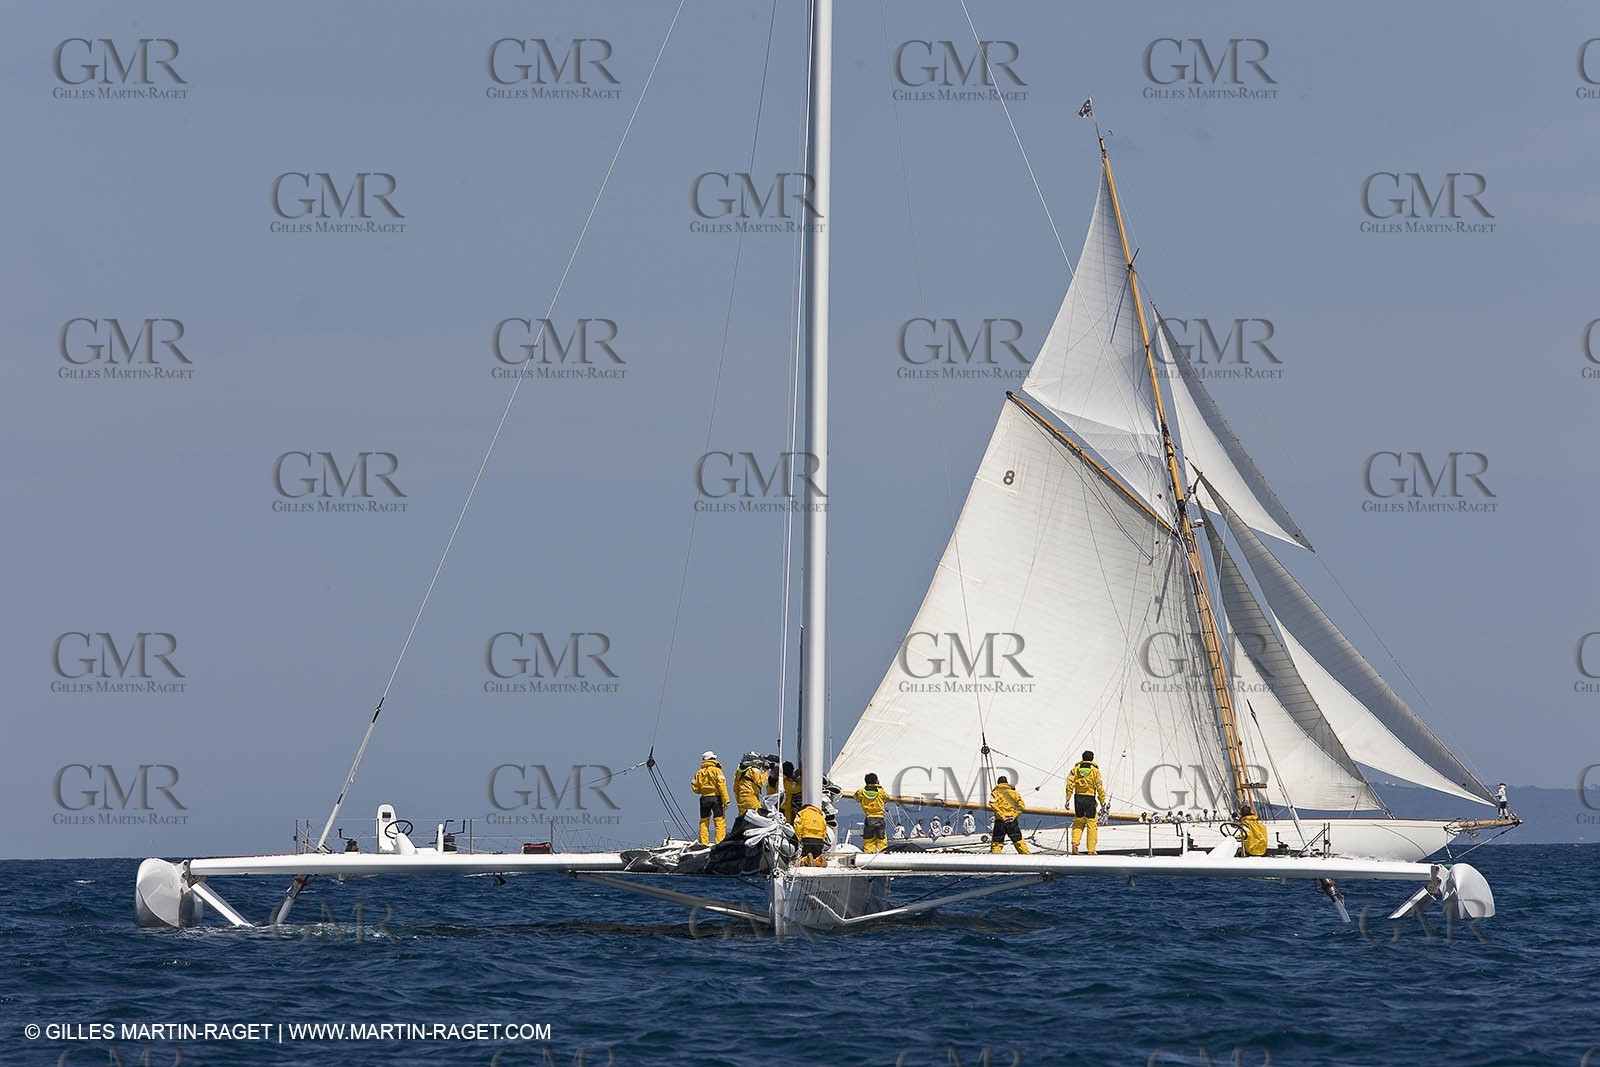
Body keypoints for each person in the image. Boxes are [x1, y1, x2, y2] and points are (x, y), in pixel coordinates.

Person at [1068, 750, 1108, 855]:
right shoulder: (1095, 771)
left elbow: (1069, 784)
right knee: (1091, 824)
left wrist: (1068, 798)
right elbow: (1099, 787)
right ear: (1092, 759)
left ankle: (1075, 842)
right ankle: (1091, 850)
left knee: (1078, 822)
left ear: (1082, 758)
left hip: (1078, 798)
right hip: (1089, 798)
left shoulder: (1075, 770)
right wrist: (1102, 801)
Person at [690, 751, 730, 845]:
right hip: (716, 799)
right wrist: (726, 800)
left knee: (704, 821)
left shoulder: (699, 773)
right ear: (713, 759)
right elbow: (722, 786)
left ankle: (704, 842)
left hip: (704, 799)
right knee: (719, 821)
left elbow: (694, 786)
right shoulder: (717, 771)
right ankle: (719, 842)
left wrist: (702, 791)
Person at [989, 775, 1030, 853]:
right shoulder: (1015, 793)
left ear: (998, 783)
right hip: (1012, 821)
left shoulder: (995, 793)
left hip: (1000, 821)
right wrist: (1013, 816)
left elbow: (992, 804)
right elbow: (1021, 807)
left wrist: (1003, 817)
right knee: (1019, 841)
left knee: (997, 843)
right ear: (1007, 783)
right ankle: (1027, 856)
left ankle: (995, 860)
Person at [854, 773, 889, 853]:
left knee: (868, 839)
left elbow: (856, 798)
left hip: (869, 818)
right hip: (880, 818)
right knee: (881, 839)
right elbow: (887, 798)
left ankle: (869, 853)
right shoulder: (881, 792)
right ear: (876, 781)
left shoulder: (861, 792)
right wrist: (879, 786)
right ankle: (882, 852)